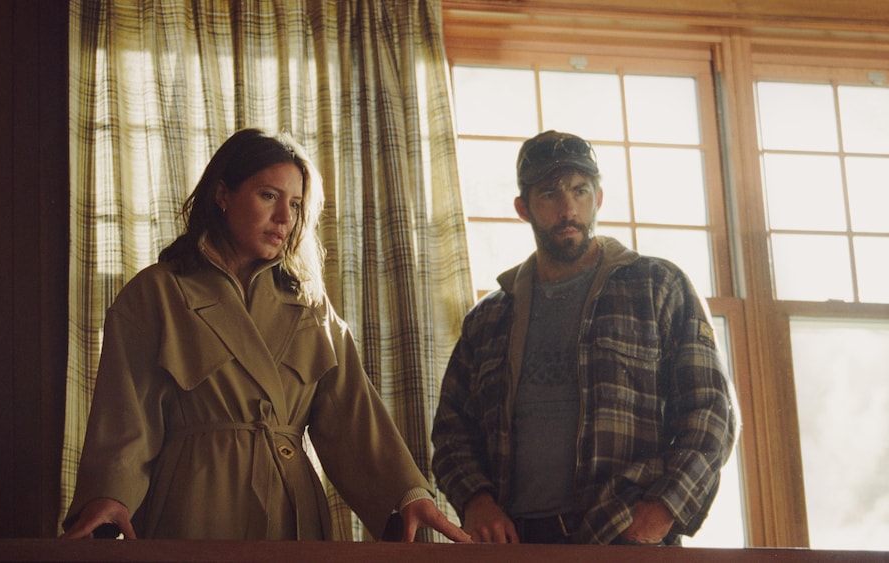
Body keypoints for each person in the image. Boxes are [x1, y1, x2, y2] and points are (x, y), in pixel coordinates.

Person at [62, 128, 471, 543]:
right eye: (269, 196)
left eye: (295, 204)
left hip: (293, 513)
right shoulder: (158, 293)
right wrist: (109, 496)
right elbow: (126, 415)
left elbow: (352, 416)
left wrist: (407, 495)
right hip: (195, 505)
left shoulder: (309, 305)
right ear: (222, 195)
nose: (285, 218)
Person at [430, 130, 738, 546]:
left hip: (624, 536)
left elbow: (711, 413)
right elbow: (452, 432)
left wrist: (663, 510)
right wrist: (477, 501)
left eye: (580, 191)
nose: (568, 209)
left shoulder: (657, 287)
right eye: (549, 195)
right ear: (524, 208)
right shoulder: (489, 319)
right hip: (514, 546)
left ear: (599, 198)